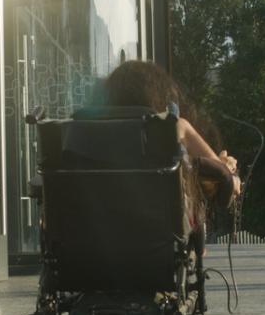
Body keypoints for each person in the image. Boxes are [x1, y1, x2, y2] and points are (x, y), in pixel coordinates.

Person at [100, 61, 241, 223]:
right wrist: (228, 169)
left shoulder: (80, 136)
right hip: (157, 242)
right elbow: (226, 182)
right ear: (156, 95)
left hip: (91, 243)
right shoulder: (174, 128)